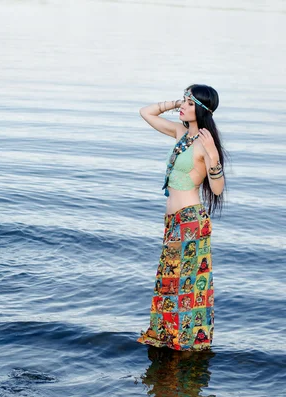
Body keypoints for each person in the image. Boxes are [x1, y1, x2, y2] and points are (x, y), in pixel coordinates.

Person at [136, 84, 227, 351]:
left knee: (186, 288)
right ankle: (166, 337)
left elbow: (218, 189)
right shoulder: (180, 133)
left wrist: (212, 157)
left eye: (188, 103)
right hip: (174, 222)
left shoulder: (205, 143)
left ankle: (186, 343)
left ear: (200, 109)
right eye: (184, 101)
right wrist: (174, 102)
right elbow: (146, 112)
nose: (182, 107)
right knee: (169, 281)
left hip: (191, 222)